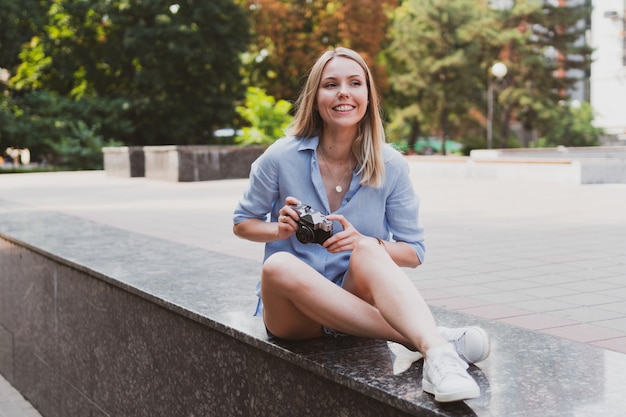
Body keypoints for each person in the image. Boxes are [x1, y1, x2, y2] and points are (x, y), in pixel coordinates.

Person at [233, 47, 490, 403]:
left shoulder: (392, 165)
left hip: (354, 295)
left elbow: (414, 252)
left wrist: (362, 243)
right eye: (331, 84)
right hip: (293, 313)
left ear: (367, 96)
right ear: (315, 96)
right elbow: (242, 223)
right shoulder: (280, 157)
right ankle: (433, 340)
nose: (343, 92)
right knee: (277, 264)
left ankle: (437, 354)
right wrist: (278, 230)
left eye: (355, 83)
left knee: (370, 246)